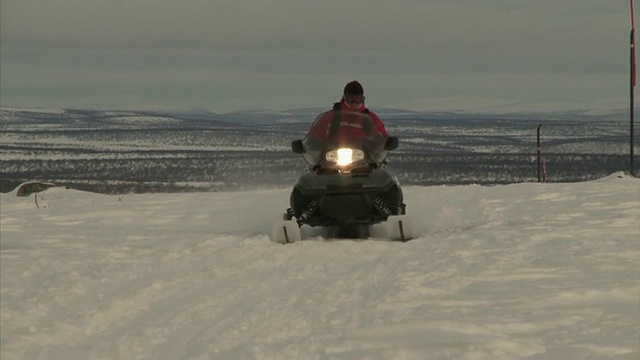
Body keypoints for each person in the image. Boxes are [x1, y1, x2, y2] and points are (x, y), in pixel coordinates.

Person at [307, 81, 389, 142]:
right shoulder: (332, 117)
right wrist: (308, 144)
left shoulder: (370, 118)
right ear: (344, 98)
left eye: (357, 99)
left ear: (362, 99)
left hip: (364, 158)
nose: (353, 102)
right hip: (332, 156)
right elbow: (316, 133)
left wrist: (388, 142)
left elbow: (381, 134)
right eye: (350, 98)